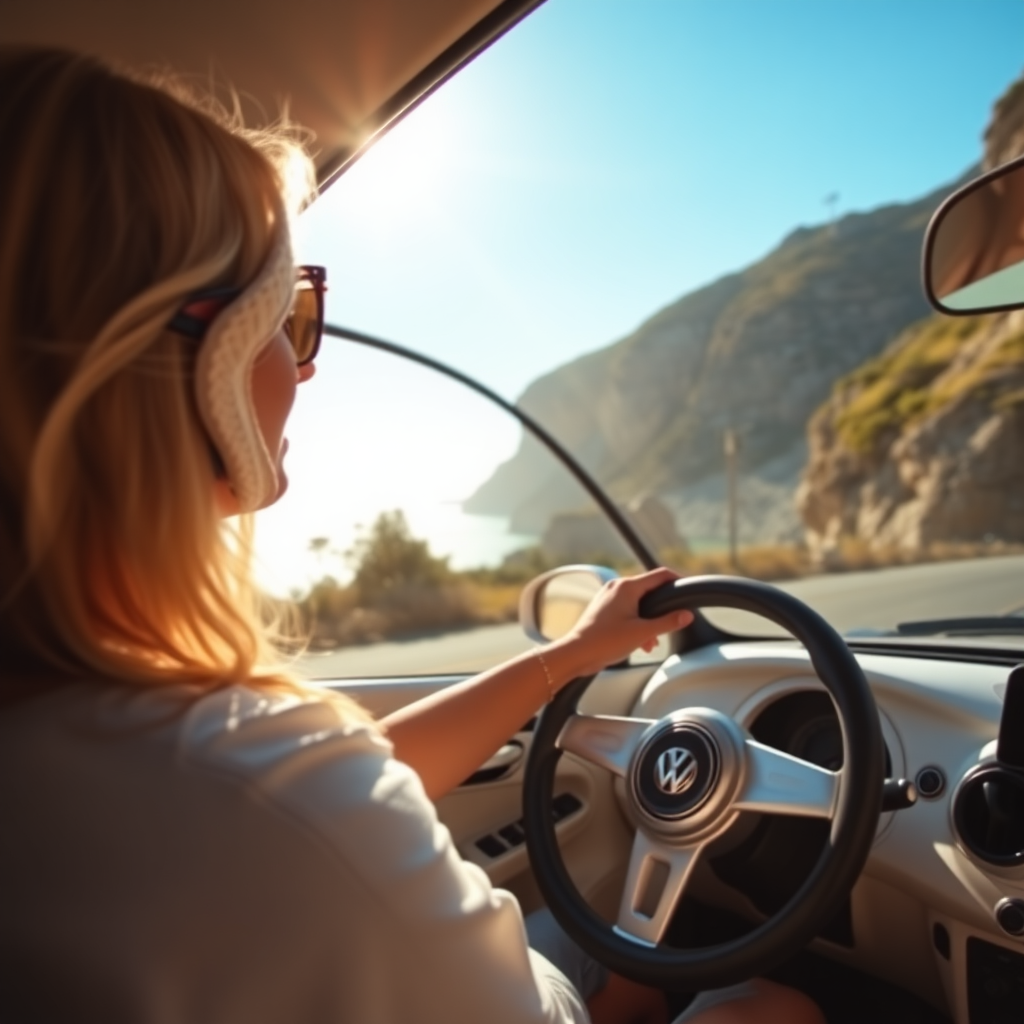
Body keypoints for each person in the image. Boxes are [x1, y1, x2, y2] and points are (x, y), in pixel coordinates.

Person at [0, 47, 825, 1024]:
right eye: (288, 314)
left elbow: (354, 776)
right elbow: (312, 805)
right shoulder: (253, 789)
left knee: (641, 955)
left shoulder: (131, 754)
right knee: (772, 1006)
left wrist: (568, 658)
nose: (300, 367)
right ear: (196, 366)